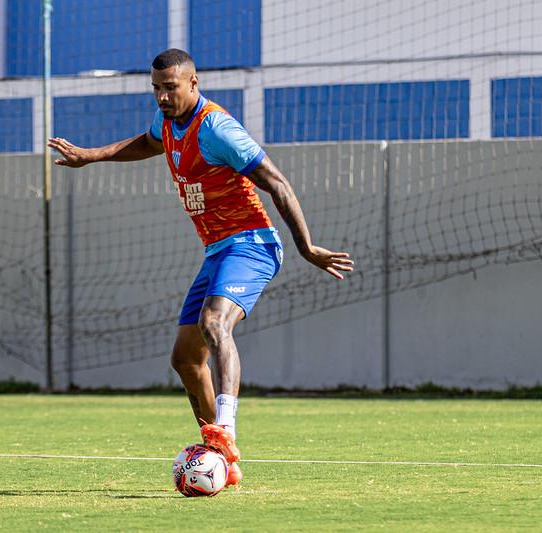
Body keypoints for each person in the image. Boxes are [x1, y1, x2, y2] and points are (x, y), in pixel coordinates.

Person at [48, 48, 354, 487]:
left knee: (215, 324)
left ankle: (225, 431)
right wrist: (92, 155)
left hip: (251, 245)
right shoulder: (169, 124)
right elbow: (148, 142)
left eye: (169, 88)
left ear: (193, 83)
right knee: (186, 359)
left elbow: (277, 182)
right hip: (217, 251)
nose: (161, 97)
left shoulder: (218, 129)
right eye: (155, 89)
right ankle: (219, 458)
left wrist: (306, 247)